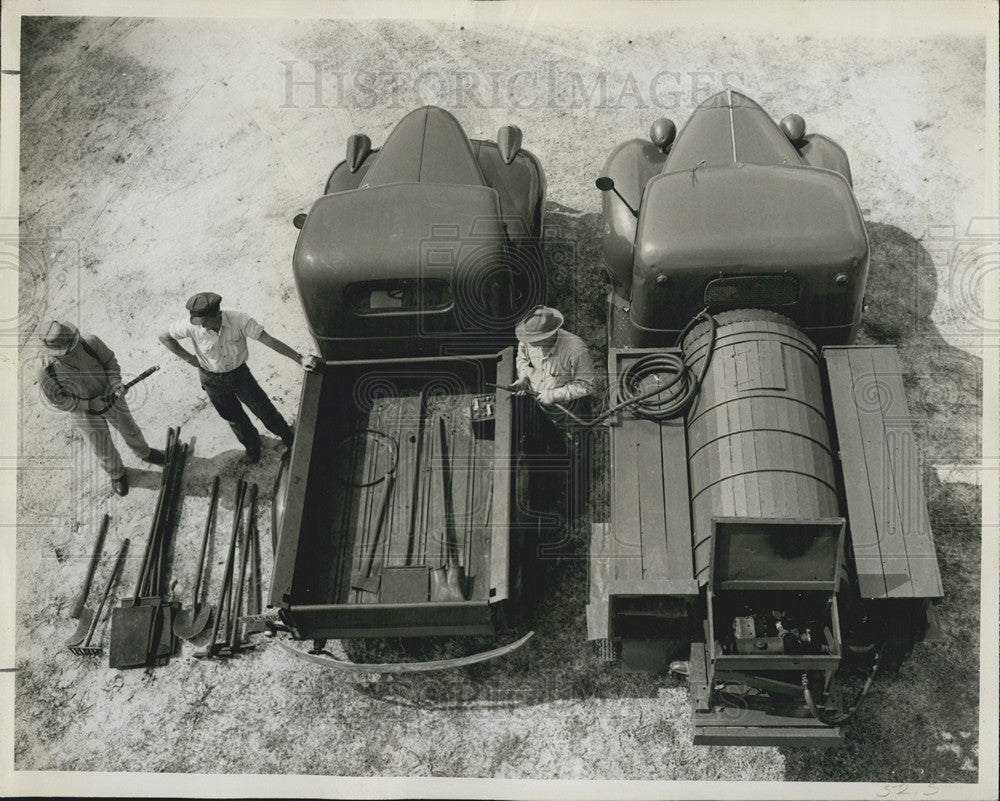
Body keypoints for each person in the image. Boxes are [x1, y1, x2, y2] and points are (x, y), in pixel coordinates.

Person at [158, 292, 320, 463]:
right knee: (233, 417)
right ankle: (252, 445)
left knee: (264, 409)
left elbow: (269, 340)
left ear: (217, 314)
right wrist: (188, 358)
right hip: (211, 380)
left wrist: (299, 358)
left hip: (240, 376)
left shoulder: (240, 320)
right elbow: (164, 336)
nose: (202, 326)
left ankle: (288, 438)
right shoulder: (192, 325)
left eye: (205, 322)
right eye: (198, 322)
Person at [38, 321, 165, 496]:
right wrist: (88, 405)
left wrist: (115, 383)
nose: (72, 348)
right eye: (66, 348)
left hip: (110, 396)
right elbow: (57, 400)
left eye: (72, 343)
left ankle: (145, 453)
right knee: (101, 445)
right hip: (83, 412)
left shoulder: (90, 342)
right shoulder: (46, 371)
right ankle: (117, 474)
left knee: (130, 429)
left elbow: (110, 362)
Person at [511, 304, 596, 520]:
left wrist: (554, 395)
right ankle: (551, 486)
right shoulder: (528, 339)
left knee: (578, 458)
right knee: (552, 447)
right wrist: (523, 378)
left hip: (570, 411)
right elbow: (522, 358)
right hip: (541, 407)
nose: (530, 345)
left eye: (534, 342)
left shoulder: (575, 349)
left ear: (549, 335)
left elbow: (587, 386)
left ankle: (573, 508)